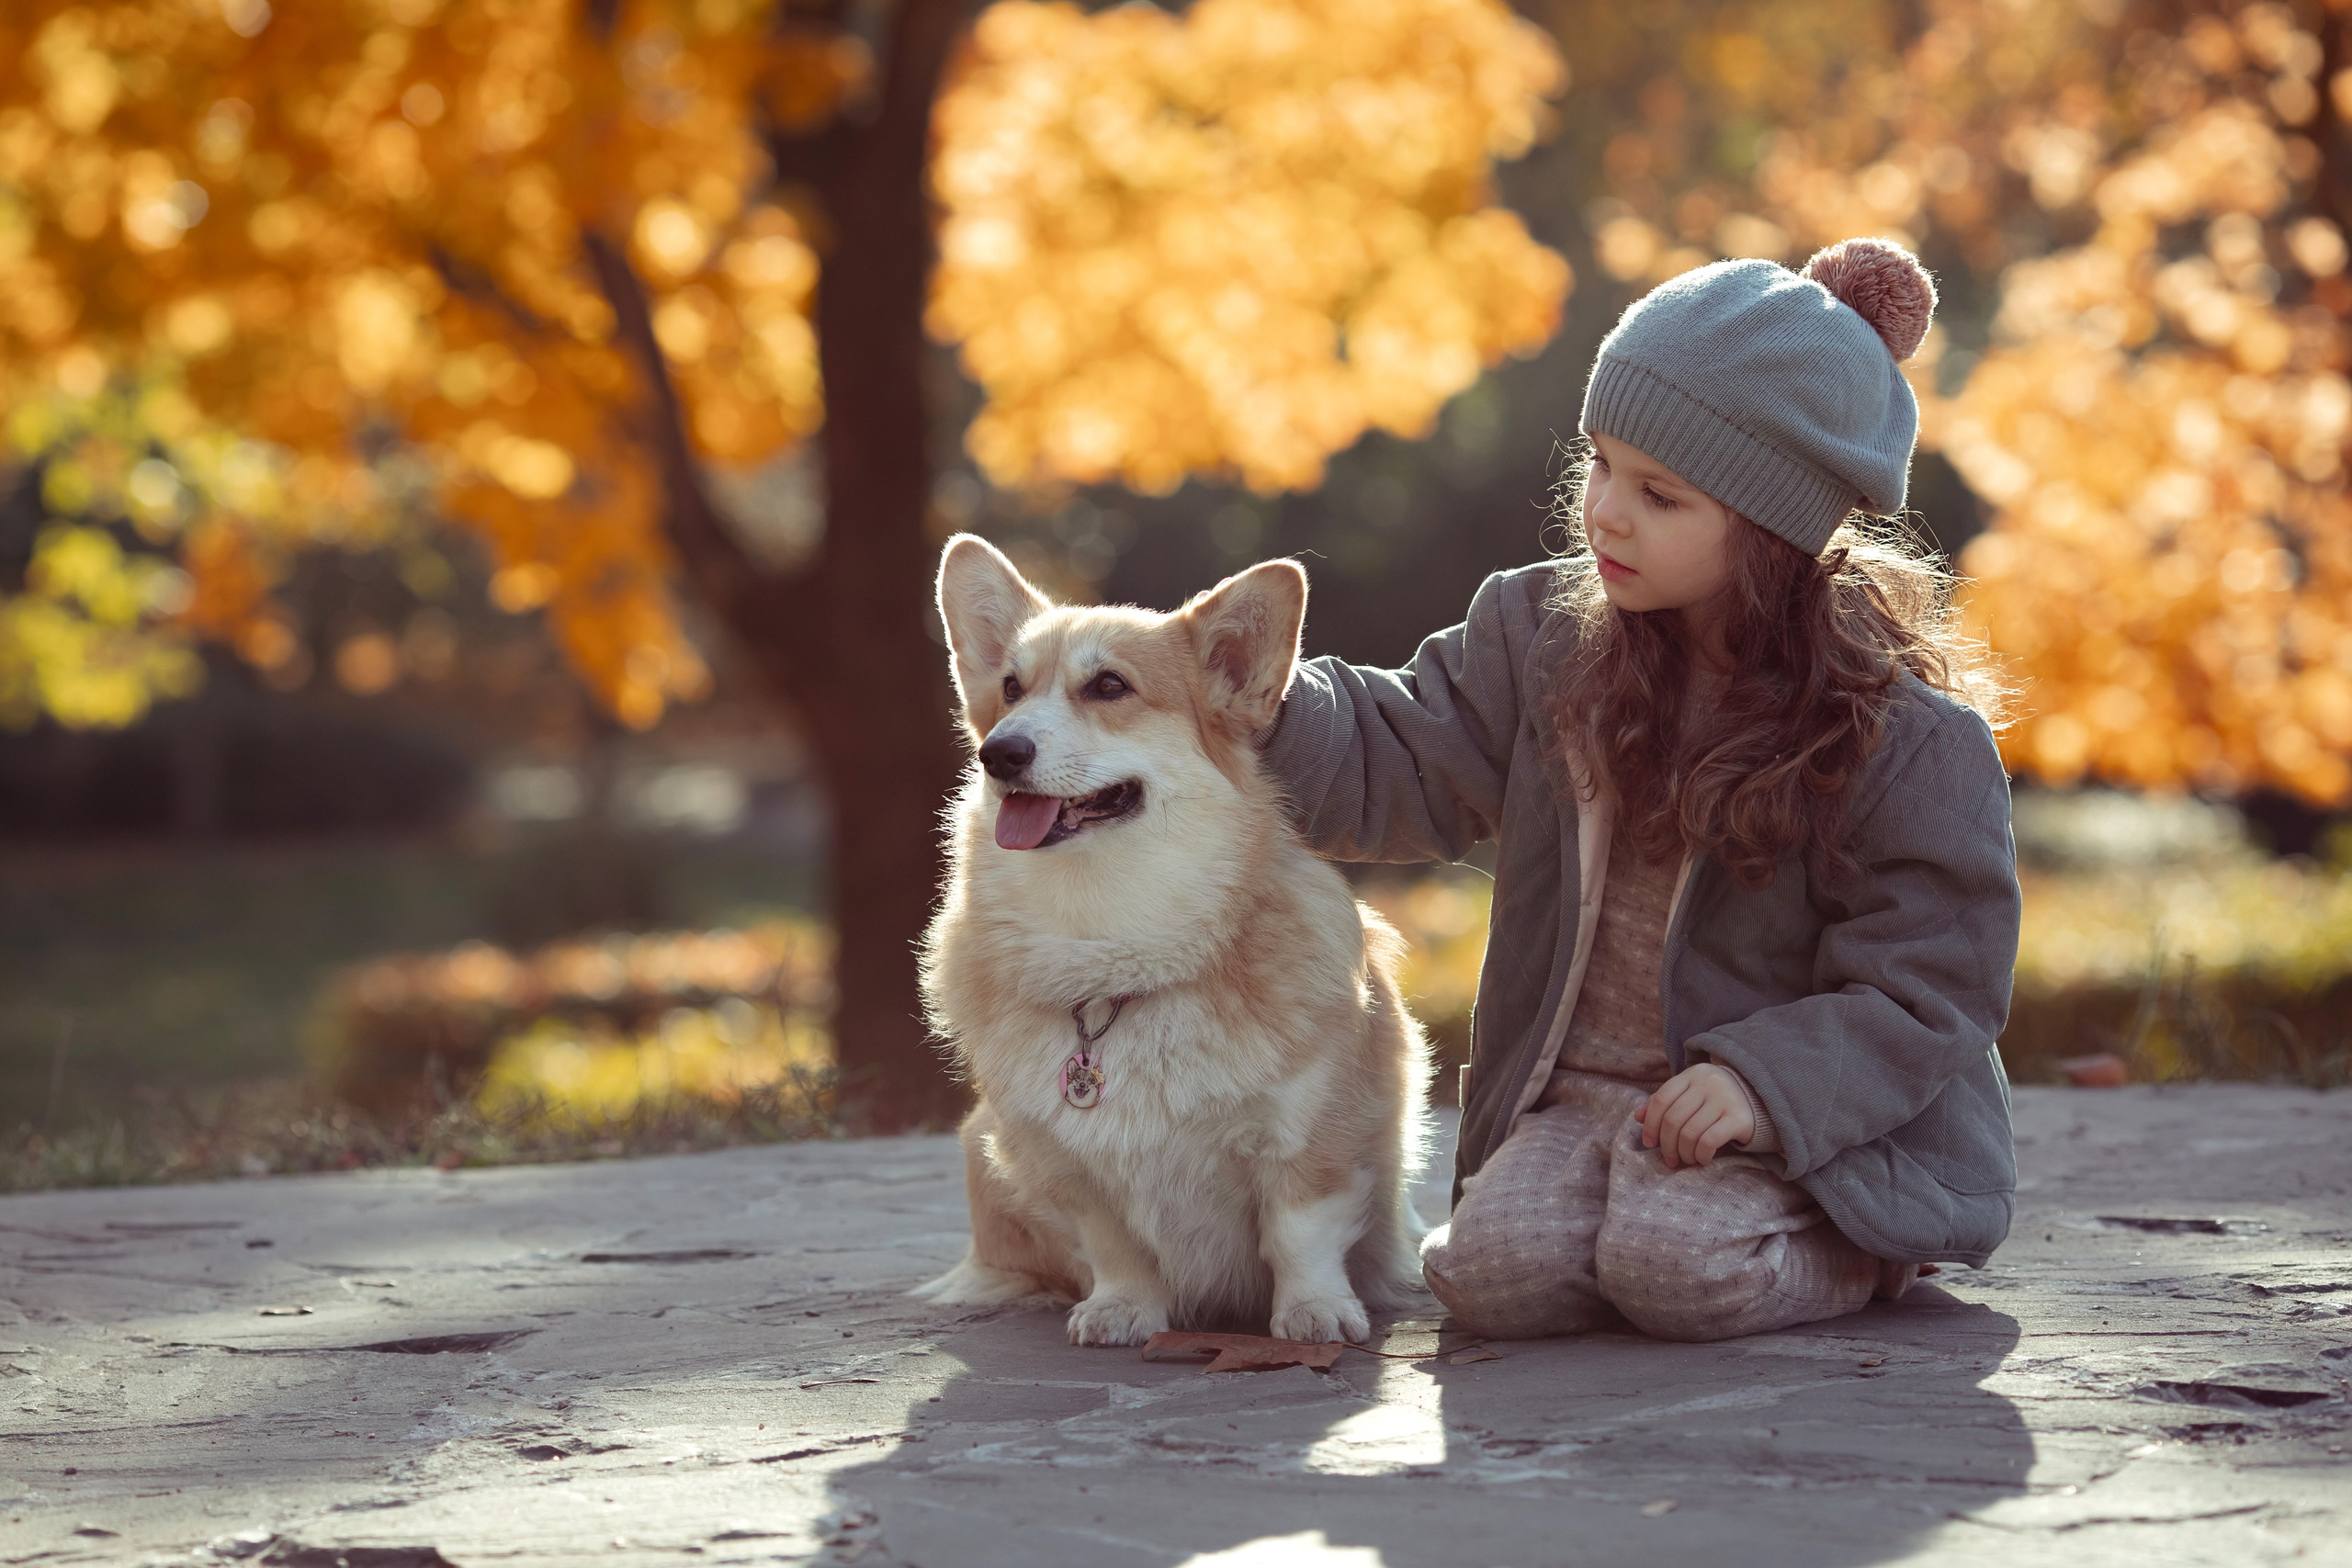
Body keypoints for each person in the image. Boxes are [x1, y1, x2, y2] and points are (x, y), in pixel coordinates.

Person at [1256, 238, 2021, 1342]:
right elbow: (1404, 749)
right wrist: (1253, 706)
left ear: (1771, 530)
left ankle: (1866, 1249)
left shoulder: (1903, 740)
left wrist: (1765, 1089)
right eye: (1600, 465)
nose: (1606, 513)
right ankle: (1617, 1224)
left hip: (1786, 1120)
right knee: (1488, 1279)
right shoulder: (1541, 637)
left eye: (1659, 494)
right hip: (1577, 1096)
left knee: (1679, 1274)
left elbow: (1932, 986)